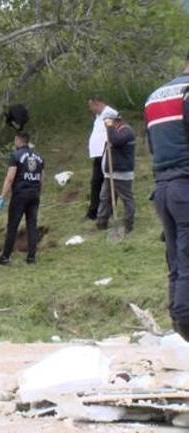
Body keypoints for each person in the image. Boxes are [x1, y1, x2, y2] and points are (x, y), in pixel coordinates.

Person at [145, 50, 189, 341]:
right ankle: (186, 321)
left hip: (162, 187)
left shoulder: (154, 97)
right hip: (185, 185)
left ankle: (178, 322)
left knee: (175, 259)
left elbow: (151, 145)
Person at [0, 132, 44, 265]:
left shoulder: (15, 156)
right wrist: (38, 192)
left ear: (17, 140)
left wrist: (2, 197)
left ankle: (5, 256)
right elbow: (42, 177)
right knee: (32, 225)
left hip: (20, 194)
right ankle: (31, 256)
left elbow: (10, 178)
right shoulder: (39, 157)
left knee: (13, 225)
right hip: (34, 193)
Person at [96, 113, 136, 232]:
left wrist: (109, 127)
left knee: (127, 199)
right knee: (104, 198)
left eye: (107, 122)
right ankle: (101, 223)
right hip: (111, 173)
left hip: (122, 173)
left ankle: (128, 224)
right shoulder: (114, 132)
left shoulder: (126, 131)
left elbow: (116, 141)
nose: (106, 125)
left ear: (115, 121)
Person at [86, 96, 119, 221]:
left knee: (104, 182)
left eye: (91, 106)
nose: (90, 109)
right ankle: (94, 210)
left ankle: (105, 210)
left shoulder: (109, 113)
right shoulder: (98, 116)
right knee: (96, 182)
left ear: (97, 104)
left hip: (106, 153)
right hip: (98, 154)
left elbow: (112, 130)